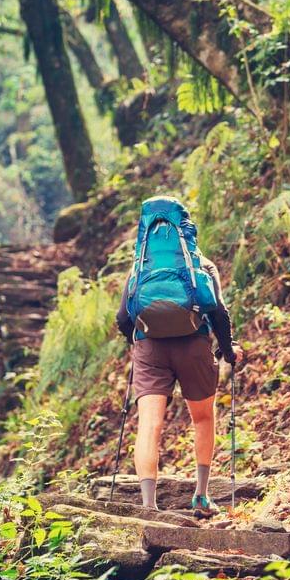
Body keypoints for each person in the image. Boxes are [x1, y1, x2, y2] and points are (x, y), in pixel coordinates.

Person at [115, 207, 243, 518]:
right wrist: (228, 351)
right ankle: (200, 496)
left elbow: (122, 318)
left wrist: (136, 340)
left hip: (149, 350)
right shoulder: (201, 265)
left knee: (149, 425)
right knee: (202, 418)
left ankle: (148, 506)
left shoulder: (139, 269)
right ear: (186, 230)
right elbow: (219, 314)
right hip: (193, 345)